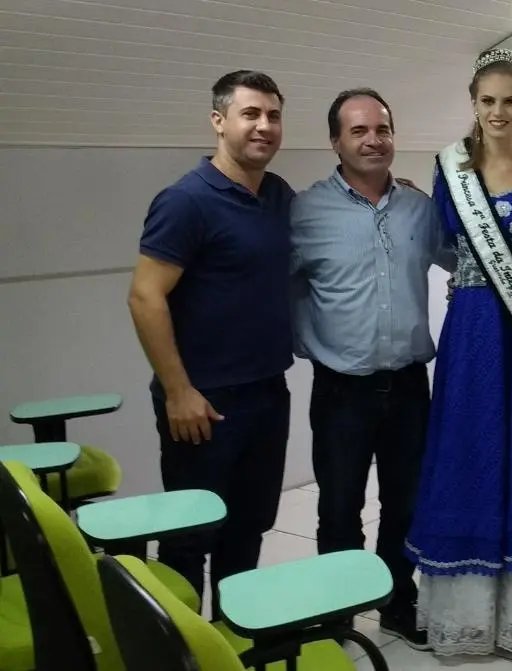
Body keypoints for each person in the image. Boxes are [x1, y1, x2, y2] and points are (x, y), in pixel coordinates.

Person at [403, 48, 512, 656]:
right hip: (473, 326)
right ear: (473, 103)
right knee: (471, 443)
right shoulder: (450, 168)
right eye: (487, 100)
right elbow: (446, 243)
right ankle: (468, 606)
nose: (498, 111)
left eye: (509, 101)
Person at [127, 70, 293, 616]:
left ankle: (234, 635)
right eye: (250, 114)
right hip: (203, 404)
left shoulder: (278, 195)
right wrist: (178, 391)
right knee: (189, 536)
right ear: (219, 121)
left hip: (267, 392)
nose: (264, 126)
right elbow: (145, 296)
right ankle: (180, 647)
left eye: (273, 115)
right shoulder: (186, 201)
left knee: (248, 527)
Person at [290, 88, 451, 649]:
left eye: (382, 129)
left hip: (408, 385)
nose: (373, 140)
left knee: (405, 503)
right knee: (339, 507)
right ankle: (337, 614)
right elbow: (275, 284)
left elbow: (463, 262)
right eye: (358, 130)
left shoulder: (419, 209)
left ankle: (396, 601)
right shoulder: (305, 212)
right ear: (335, 141)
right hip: (341, 390)